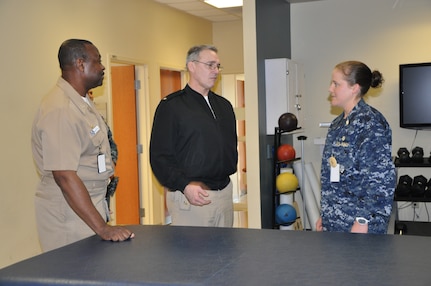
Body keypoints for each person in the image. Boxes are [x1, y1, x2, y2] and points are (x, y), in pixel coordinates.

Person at [31, 39, 134, 252]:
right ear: (80, 64)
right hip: (69, 214)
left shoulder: (82, 101)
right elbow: (65, 176)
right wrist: (103, 228)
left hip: (90, 204)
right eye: (98, 61)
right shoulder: (61, 109)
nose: (103, 67)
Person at [150, 45, 238, 227]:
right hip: (191, 197)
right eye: (210, 65)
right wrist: (184, 185)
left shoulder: (224, 106)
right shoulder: (172, 106)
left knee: (225, 254)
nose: (216, 71)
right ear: (192, 66)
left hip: (224, 193)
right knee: (194, 256)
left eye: (218, 66)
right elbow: (159, 157)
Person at [316, 61, 395, 234]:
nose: (330, 89)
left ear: (354, 88)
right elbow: (334, 175)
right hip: (335, 223)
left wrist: (363, 219)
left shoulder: (371, 124)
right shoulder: (337, 125)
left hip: (360, 226)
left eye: (336, 84)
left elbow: (380, 180)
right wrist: (326, 214)